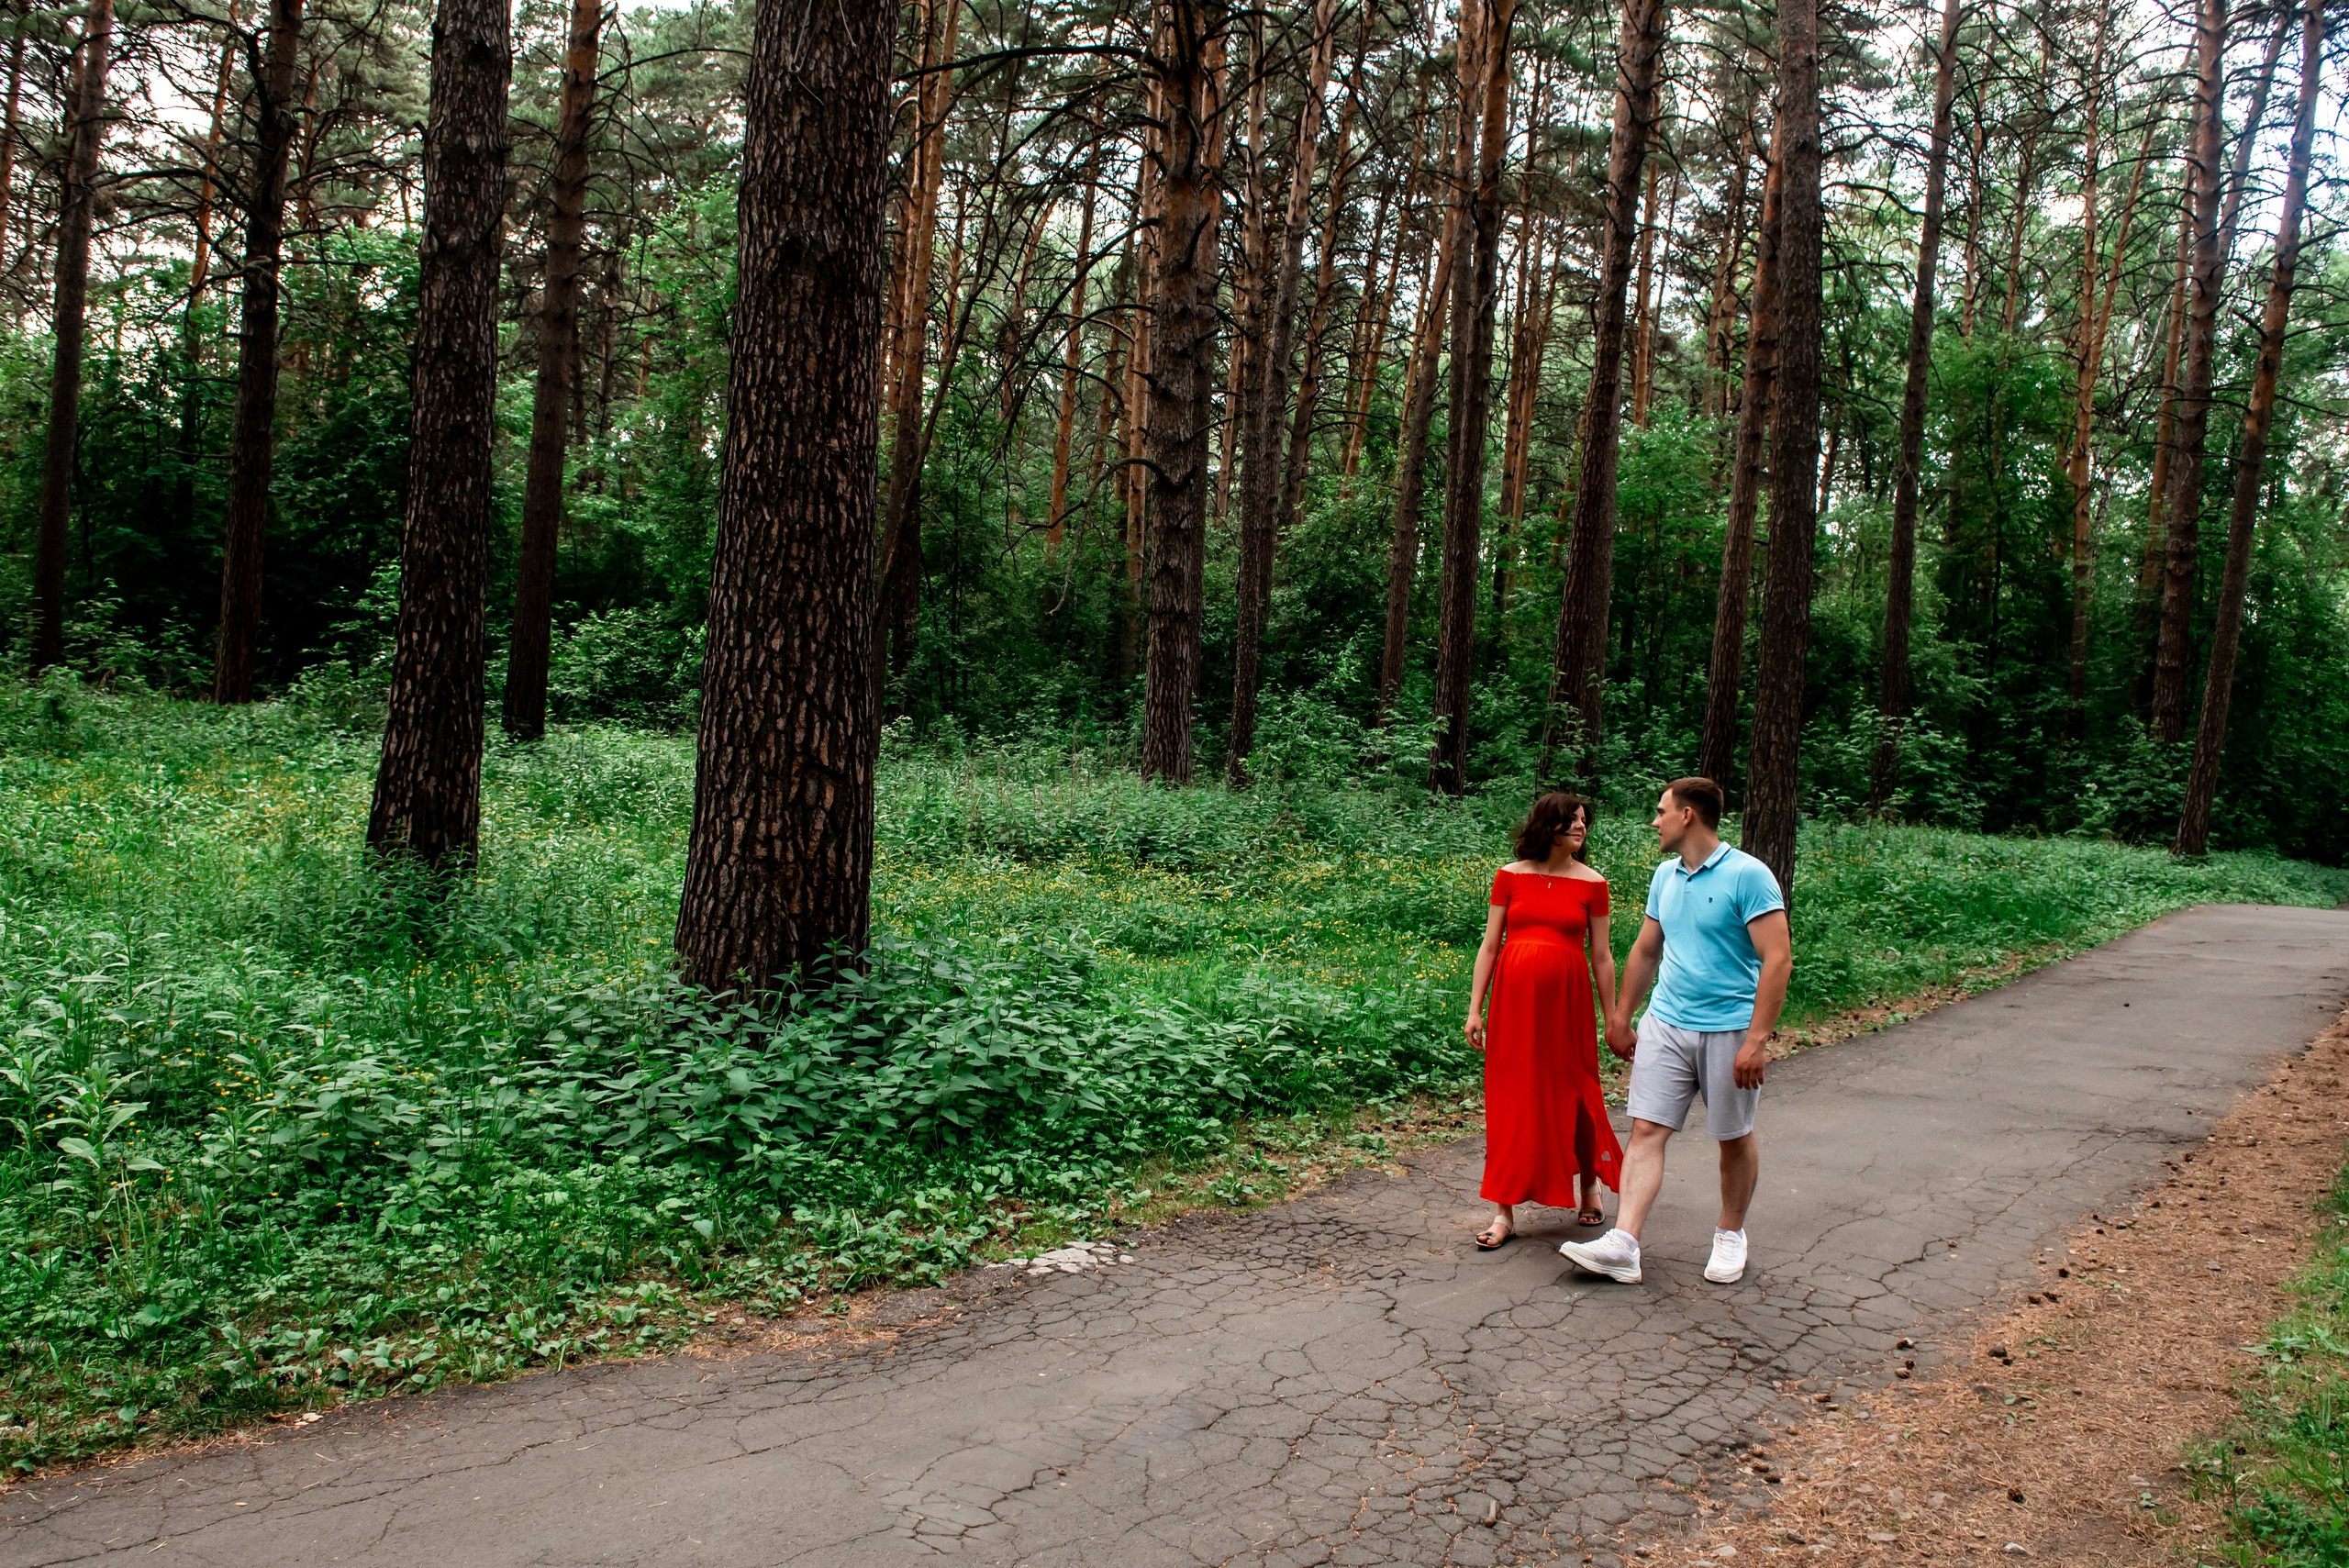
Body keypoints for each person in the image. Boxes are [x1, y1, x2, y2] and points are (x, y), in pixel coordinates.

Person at [1559, 777, 1791, 1285]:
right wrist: (1622, 1016)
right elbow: (1647, 950)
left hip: (1729, 1029)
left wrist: (1756, 1040)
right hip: (1666, 1023)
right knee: (1646, 1129)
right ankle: (1624, 1244)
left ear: (1687, 815)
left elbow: (1777, 959)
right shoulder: (1665, 875)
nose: (1655, 821)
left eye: (1661, 811)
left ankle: (1730, 1233)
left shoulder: (1748, 875)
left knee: (1732, 1136)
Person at [1464, 791, 1623, 1251]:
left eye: (1584, 821)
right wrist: (1475, 1009)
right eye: (1572, 820)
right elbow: (1490, 945)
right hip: (1514, 1004)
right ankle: (1503, 1212)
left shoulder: (1593, 883)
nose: (1581, 827)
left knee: (1577, 1090)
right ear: (1547, 825)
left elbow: (1602, 956)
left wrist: (1612, 1016)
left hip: (1568, 1007)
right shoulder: (1510, 876)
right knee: (1511, 1098)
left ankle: (1589, 1185)